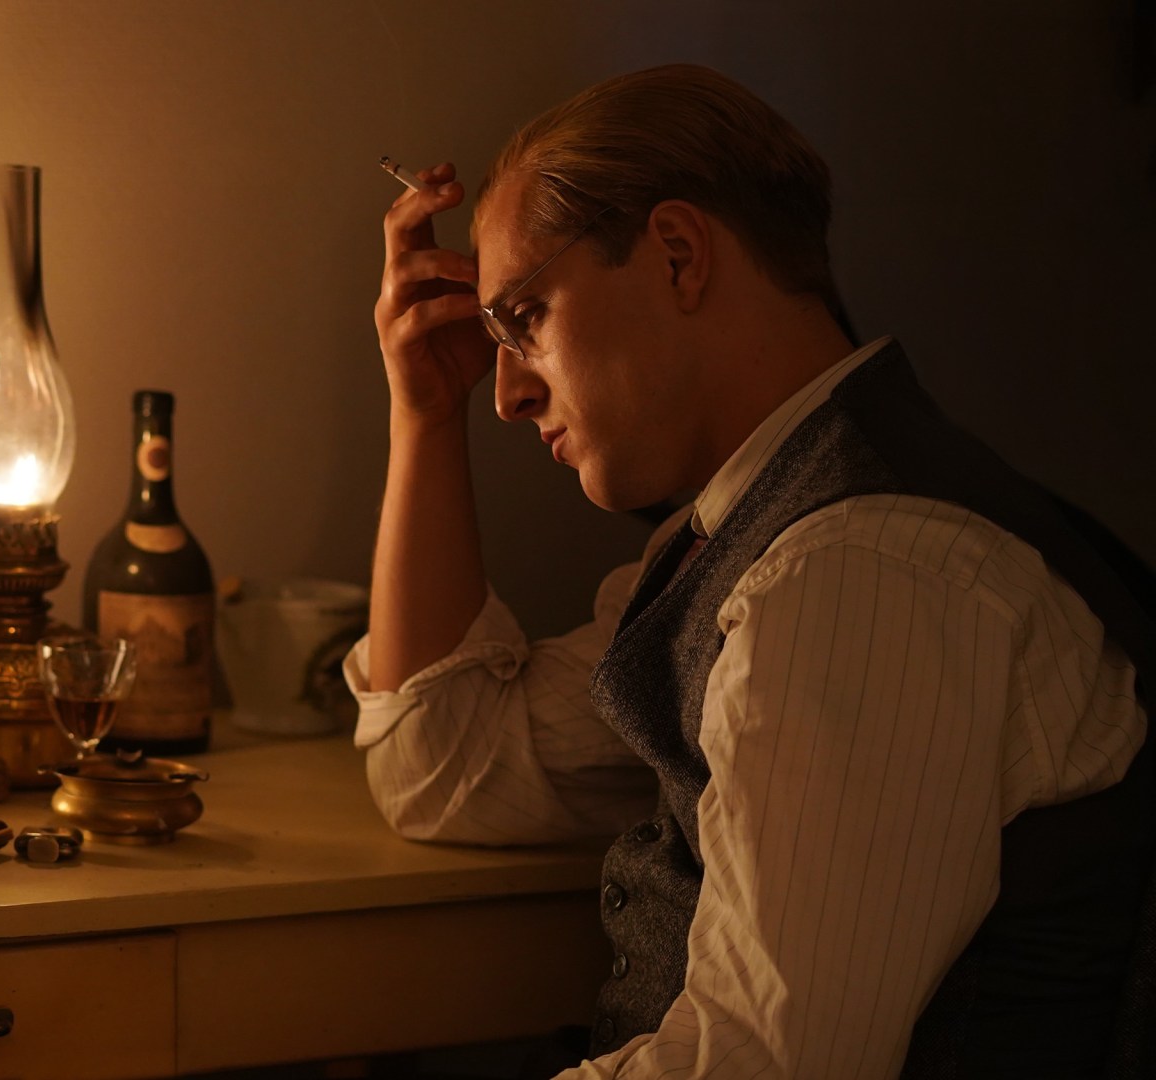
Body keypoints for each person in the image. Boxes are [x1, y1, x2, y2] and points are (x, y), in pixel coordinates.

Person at [350, 63, 1154, 1078]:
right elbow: (450, 771)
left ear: (679, 256)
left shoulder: (856, 577)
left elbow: (764, 1067)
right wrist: (424, 415)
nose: (507, 392)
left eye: (525, 319)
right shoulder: (761, 546)